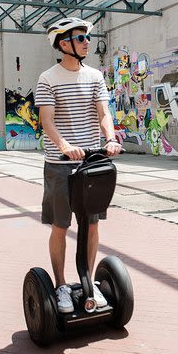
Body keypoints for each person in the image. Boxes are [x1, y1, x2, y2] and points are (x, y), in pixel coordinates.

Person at [35, 17, 122, 313]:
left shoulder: (95, 76)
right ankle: (60, 285)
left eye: (86, 37)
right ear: (63, 43)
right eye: (80, 37)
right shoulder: (48, 78)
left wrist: (110, 138)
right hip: (60, 164)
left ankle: (88, 283)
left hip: (91, 162)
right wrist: (65, 147)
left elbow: (103, 113)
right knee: (61, 225)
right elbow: (47, 121)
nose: (87, 42)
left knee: (93, 223)